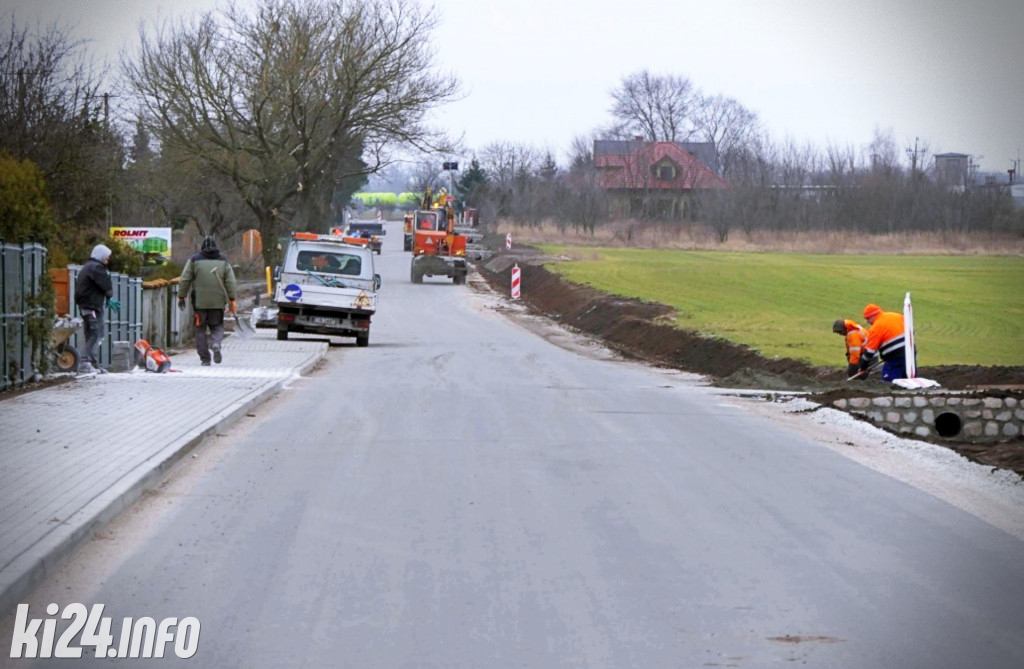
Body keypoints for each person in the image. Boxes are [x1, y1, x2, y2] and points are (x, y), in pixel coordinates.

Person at [178, 236, 237, 366]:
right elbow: (231, 282)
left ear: (202, 247)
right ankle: (215, 343)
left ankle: (205, 359)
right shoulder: (223, 261)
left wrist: (181, 296)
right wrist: (232, 299)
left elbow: (185, 279)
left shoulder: (194, 260)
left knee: (200, 330)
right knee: (217, 326)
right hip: (218, 302)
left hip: (200, 303)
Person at [74, 243, 120, 374]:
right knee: (96, 333)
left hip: (87, 305)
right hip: (91, 306)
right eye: (106, 257)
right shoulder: (97, 268)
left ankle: (92, 363)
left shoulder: (88, 267)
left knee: (91, 333)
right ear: (100, 256)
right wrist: (109, 295)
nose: (108, 259)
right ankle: (85, 362)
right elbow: (105, 284)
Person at [859, 303, 913, 382]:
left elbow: (869, 351)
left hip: (894, 359)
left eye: (867, 318)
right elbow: (911, 330)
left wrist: (863, 367)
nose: (867, 322)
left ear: (873, 316)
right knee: (909, 382)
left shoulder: (876, 327)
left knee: (888, 384)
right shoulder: (897, 316)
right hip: (910, 355)